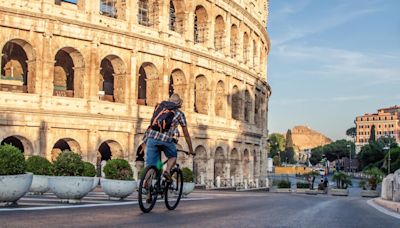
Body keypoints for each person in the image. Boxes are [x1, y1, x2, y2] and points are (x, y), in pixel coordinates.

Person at [143, 93, 195, 181]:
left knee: (152, 165)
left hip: (152, 137)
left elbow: (153, 122)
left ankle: (145, 184)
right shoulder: (179, 114)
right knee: (173, 156)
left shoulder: (159, 108)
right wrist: (191, 150)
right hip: (166, 140)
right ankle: (167, 171)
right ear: (179, 103)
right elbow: (186, 134)